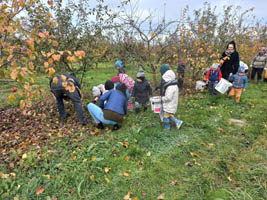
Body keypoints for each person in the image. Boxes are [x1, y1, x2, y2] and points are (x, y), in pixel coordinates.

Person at [159, 65, 183, 130]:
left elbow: (168, 98)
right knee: (170, 115)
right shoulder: (174, 85)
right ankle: (178, 122)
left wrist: (161, 98)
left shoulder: (170, 87)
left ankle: (167, 127)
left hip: (169, 105)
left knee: (165, 117)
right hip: (172, 105)